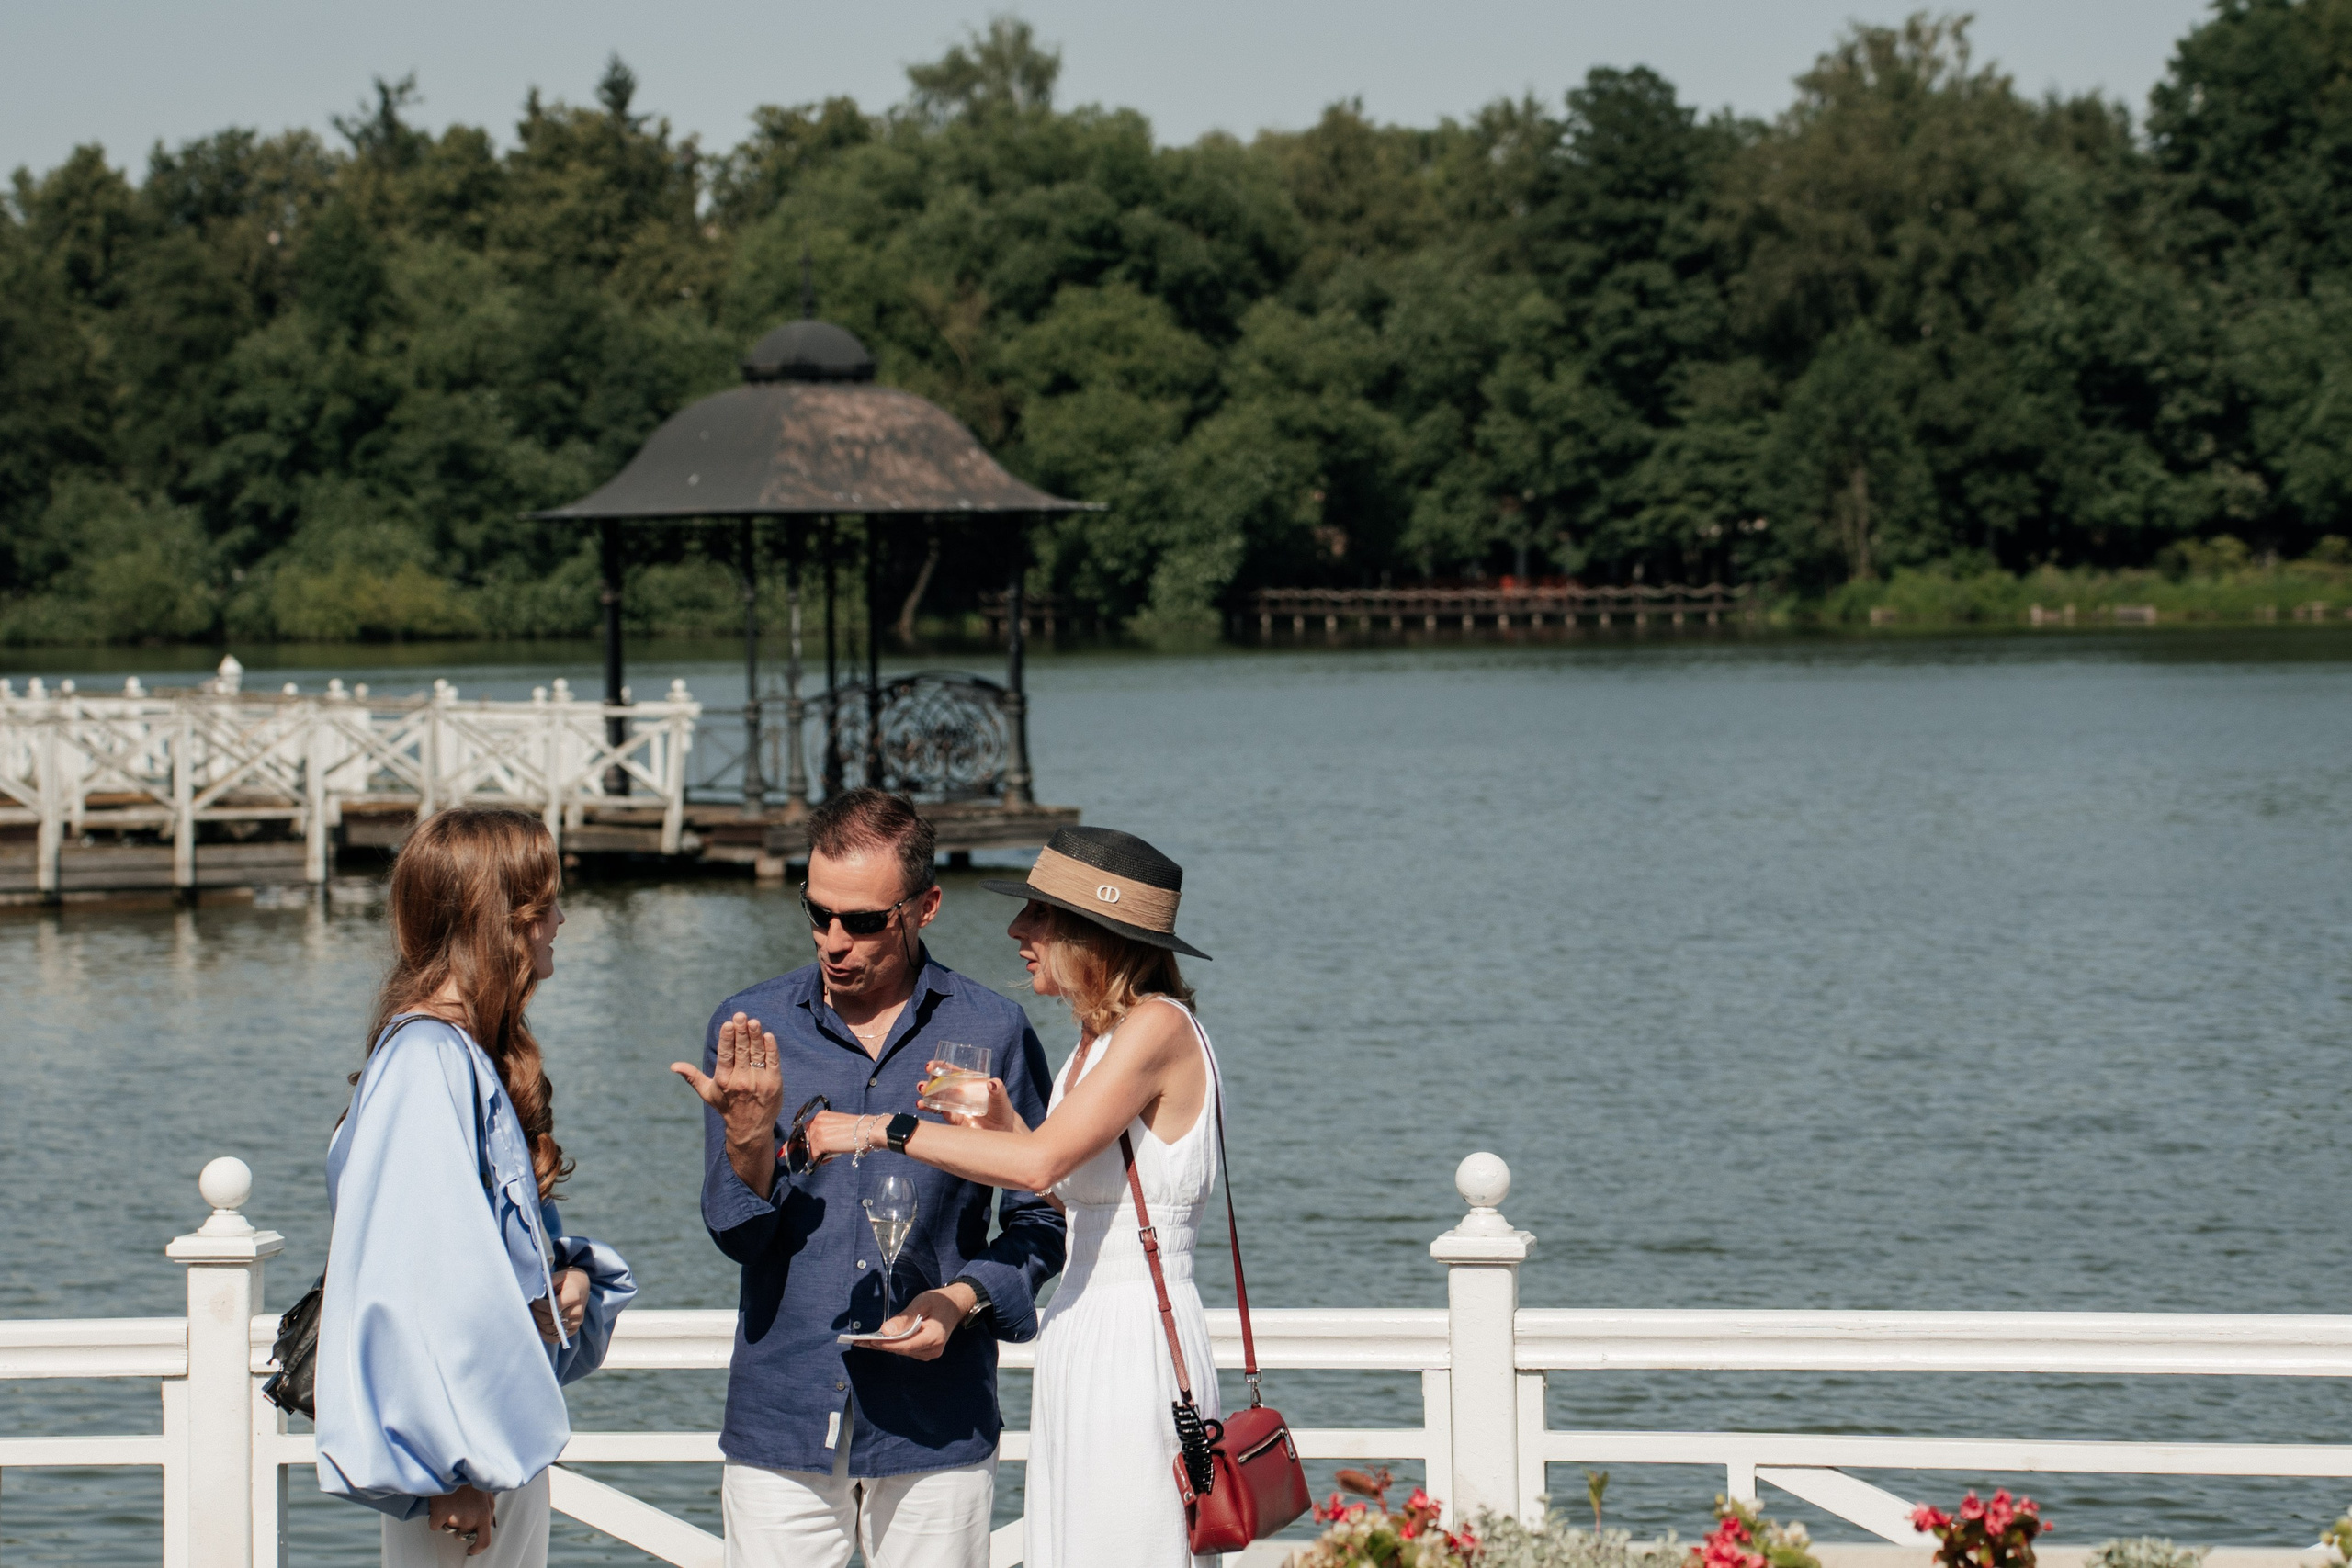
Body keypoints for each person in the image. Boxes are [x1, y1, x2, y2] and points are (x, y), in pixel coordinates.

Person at [805, 825, 1222, 1568]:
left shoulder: (1156, 1026)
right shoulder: (1099, 1037)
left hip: (1135, 1332)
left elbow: (1036, 1166)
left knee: (1129, 1541)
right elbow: (1060, 1186)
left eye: (1039, 916)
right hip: (1084, 1322)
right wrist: (998, 1121)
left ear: (1091, 933)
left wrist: (880, 1127)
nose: (1016, 930)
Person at [670, 788, 1065, 1568]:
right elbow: (736, 1231)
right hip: (783, 1410)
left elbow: (1042, 1218)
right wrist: (750, 1145)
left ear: (926, 906)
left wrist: (961, 1300)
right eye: (818, 914)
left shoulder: (991, 1030)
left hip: (936, 1418)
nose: (834, 941)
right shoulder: (752, 1026)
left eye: (862, 921)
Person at [314, 807, 636, 1566]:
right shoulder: (429, 1059)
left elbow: (469, 1257)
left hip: (483, 1443)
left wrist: (563, 1274)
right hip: (462, 1457)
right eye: (546, 901)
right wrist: (452, 1466)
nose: (561, 918)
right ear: (505, 919)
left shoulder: (449, 1053)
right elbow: (417, 1281)